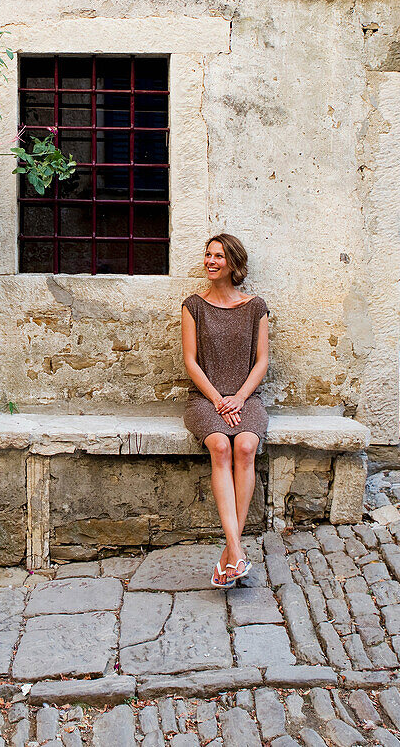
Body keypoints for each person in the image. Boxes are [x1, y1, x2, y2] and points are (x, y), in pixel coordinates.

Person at [181, 233, 269, 589]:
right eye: (208, 254)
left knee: (245, 446)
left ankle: (229, 556)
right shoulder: (193, 305)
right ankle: (237, 549)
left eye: (218, 256)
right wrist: (219, 399)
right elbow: (190, 361)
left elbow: (262, 362)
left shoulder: (256, 307)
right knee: (220, 446)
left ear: (233, 263)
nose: (210, 261)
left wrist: (240, 398)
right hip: (205, 398)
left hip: (246, 399)